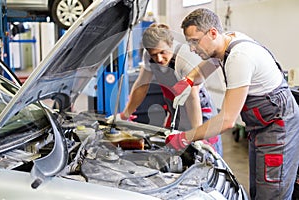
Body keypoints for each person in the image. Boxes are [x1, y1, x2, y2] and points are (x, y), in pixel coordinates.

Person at [165, 8, 299, 200]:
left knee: (272, 193)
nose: (192, 48)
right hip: (261, 127)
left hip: (278, 129)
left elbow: (226, 120)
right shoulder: (224, 42)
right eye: (189, 43)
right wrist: (188, 80)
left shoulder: (239, 58)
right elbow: (206, 66)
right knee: (259, 189)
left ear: (212, 32)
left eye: (195, 41)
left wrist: (185, 137)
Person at [108, 23, 223, 156]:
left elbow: (192, 98)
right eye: (154, 54)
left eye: (163, 52)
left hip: (200, 113)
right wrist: (125, 115)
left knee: (205, 156)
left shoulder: (184, 58)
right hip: (176, 111)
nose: (159, 59)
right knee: (172, 154)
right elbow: (141, 85)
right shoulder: (149, 57)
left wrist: (197, 133)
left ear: (170, 44)